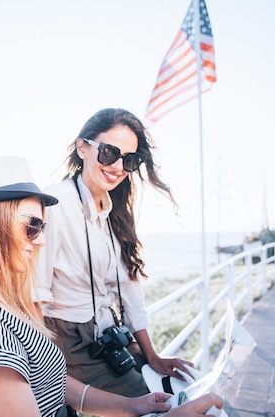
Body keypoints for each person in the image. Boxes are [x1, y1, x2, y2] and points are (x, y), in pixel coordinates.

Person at [0, 155, 224, 416]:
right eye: (32, 226)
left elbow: (49, 381)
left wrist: (131, 406)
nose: (42, 240)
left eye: (43, 227)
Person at [35, 108, 194, 398]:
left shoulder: (113, 212)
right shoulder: (56, 203)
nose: (118, 166)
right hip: (68, 343)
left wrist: (153, 356)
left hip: (108, 335)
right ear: (83, 148)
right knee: (160, 403)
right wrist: (42, 368)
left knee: (186, 385)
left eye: (129, 160)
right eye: (109, 153)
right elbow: (36, 292)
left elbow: (131, 295)